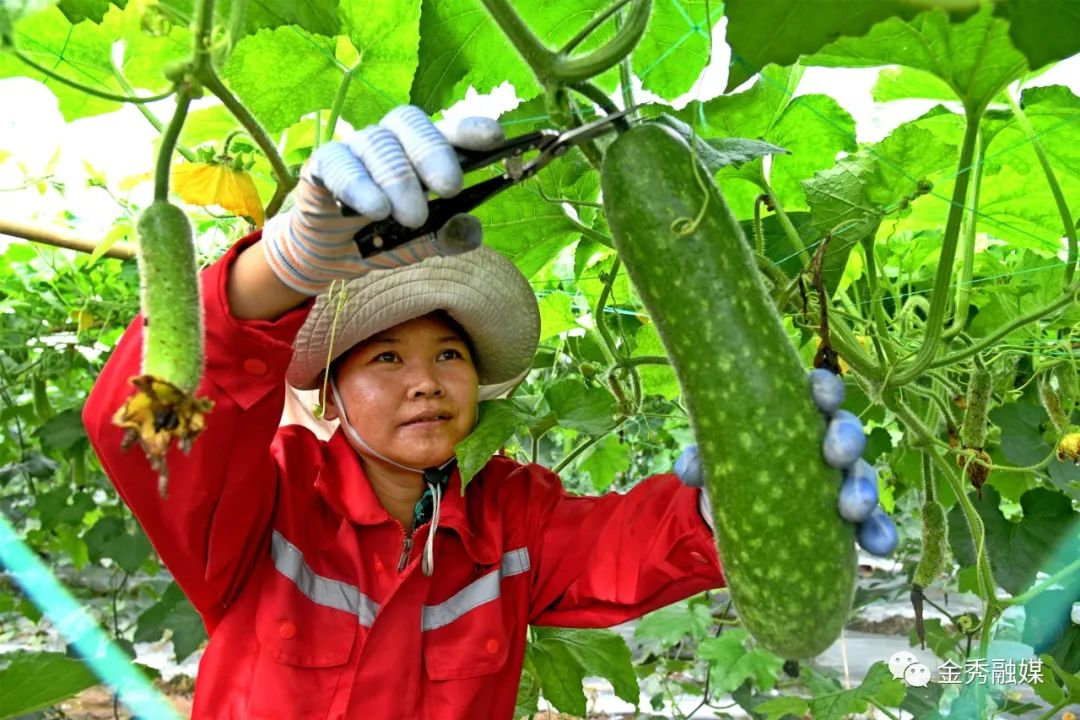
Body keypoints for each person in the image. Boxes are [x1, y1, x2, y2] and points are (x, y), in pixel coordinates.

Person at [83, 106, 871, 719]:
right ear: (327, 393)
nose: (424, 381)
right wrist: (273, 273)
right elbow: (141, 431)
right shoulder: (268, 510)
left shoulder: (511, 521)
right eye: (386, 359)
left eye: (449, 356)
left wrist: (741, 498)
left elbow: (629, 548)